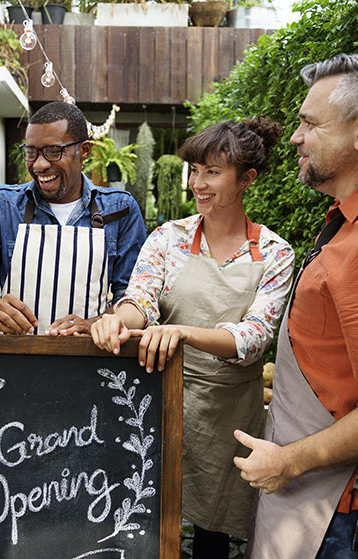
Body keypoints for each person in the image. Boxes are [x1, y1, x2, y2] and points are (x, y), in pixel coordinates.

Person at [91, 117, 295, 558]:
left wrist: (182, 332)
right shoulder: (169, 238)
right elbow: (141, 299)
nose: (197, 184)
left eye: (212, 172)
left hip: (226, 412)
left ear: (247, 179)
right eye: (194, 170)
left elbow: (253, 337)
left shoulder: (275, 254)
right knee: (142, 515)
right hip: (159, 395)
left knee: (211, 532)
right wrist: (119, 321)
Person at [234, 54, 358, 559]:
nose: (293, 137)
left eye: (309, 123)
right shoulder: (339, 223)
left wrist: (289, 460)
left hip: (334, 515)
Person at [0, 101, 146, 335]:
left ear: (83, 150)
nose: (39, 165)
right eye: (31, 153)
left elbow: (132, 298)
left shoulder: (120, 208)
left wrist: (93, 324)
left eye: (53, 152)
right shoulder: (0, 205)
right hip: (15, 359)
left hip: (91, 358)